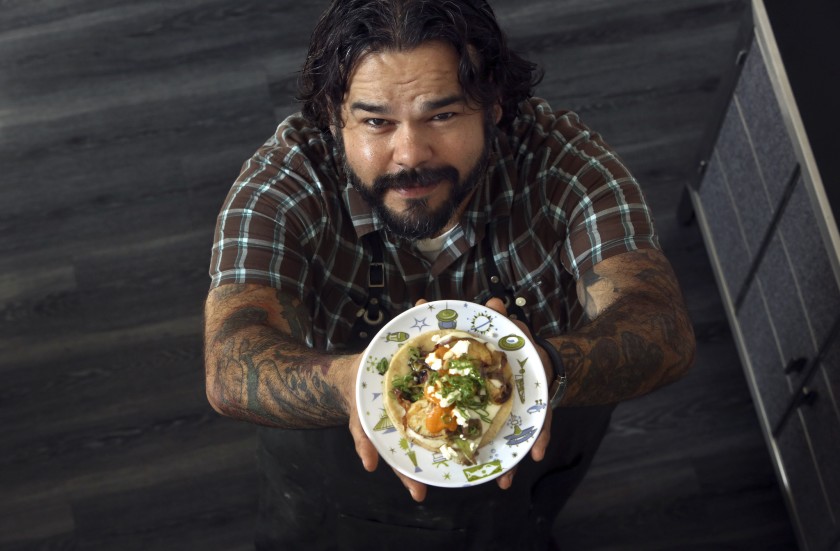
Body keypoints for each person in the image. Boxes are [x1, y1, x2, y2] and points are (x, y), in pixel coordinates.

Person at [203, 0, 696, 549]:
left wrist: (540, 371)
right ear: (331, 115)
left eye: (442, 115)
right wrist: (349, 386)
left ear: (495, 105)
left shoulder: (564, 164)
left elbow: (663, 329)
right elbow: (230, 362)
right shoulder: (287, 180)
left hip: (528, 450)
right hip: (333, 468)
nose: (409, 154)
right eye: (375, 122)